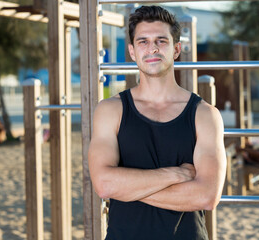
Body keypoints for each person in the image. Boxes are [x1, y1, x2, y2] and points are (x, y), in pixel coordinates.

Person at [88, 6, 227, 239]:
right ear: (132, 51)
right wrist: (176, 175)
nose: (152, 48)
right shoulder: (110, 110)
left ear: (176, 49)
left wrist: (127, 187)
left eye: (161, 41)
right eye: (143, 41)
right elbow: (104, 185)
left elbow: (206, 196)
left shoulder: (205, 115)